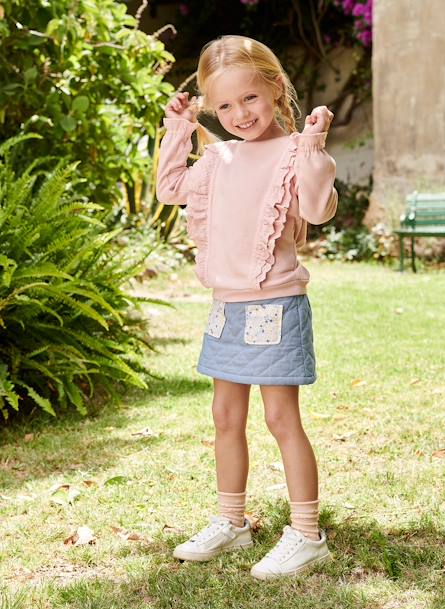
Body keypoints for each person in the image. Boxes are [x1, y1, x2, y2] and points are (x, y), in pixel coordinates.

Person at [156, 34, 338, 581]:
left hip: (275, 305)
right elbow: (169, 189)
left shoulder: (293, 152)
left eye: (251, 99)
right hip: (226, 308)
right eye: (226, 105)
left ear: (276, 89)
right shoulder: (217, 157)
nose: (239, 114)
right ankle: (231, 521)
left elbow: (317, 209)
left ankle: (307, 533)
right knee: (224, 417)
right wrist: (179, 130)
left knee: (281, 419)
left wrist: (312, 148)